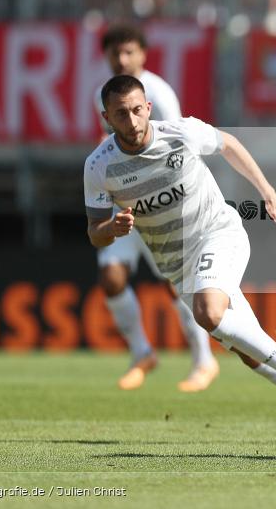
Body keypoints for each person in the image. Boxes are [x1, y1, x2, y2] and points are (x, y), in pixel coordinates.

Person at [84, 75, 276, 425]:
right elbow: (95, 233)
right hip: (177, 265)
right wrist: (112, 228)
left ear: (148, 107)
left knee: (209, 312)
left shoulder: (179, 133)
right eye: (121, 114)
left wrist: (268, 192)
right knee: (250, 354)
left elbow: (228, 144)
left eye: (138, 110)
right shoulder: (98, 166)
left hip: (217, 233)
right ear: (107, 118)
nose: (133, 121)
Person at [93, 24, 219, 393]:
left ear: (143, 54)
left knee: (175, 284)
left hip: (157, 207)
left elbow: (176, 148)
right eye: (115, 52)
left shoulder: (158, 94)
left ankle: (203, 360)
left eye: (129, 51)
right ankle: (141, 352)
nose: (122, 59)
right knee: (111, 278)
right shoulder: (102, 94)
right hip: (123, 208)